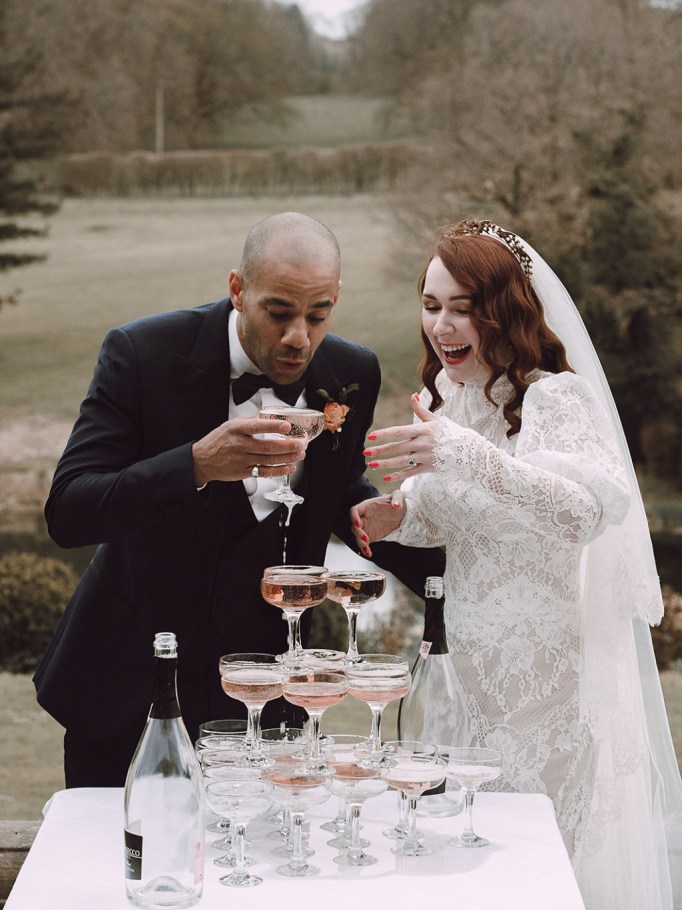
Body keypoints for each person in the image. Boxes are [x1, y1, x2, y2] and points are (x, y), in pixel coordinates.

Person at [34, 210, 444, 788]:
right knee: (127, 863)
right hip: (130, 685)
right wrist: (196, 464)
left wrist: (445, 567)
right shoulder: (141, 353)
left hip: (265, 694)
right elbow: (69, 509)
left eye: (318, 314)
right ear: (237, 290)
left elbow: (338, 488)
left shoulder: (352, 371)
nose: (298, 336)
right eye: (278, 312)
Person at [351, 219, 682, 910]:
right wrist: (399, 515)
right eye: (431, 303)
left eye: (463, 306)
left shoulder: (557, 399)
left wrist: (460, 453)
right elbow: (458, 514)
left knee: (535, 874)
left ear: (505, 310)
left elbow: (577, 515)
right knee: (466, 867)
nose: (442, 324)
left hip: (546, 687)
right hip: (465, 680)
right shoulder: (453, 394)